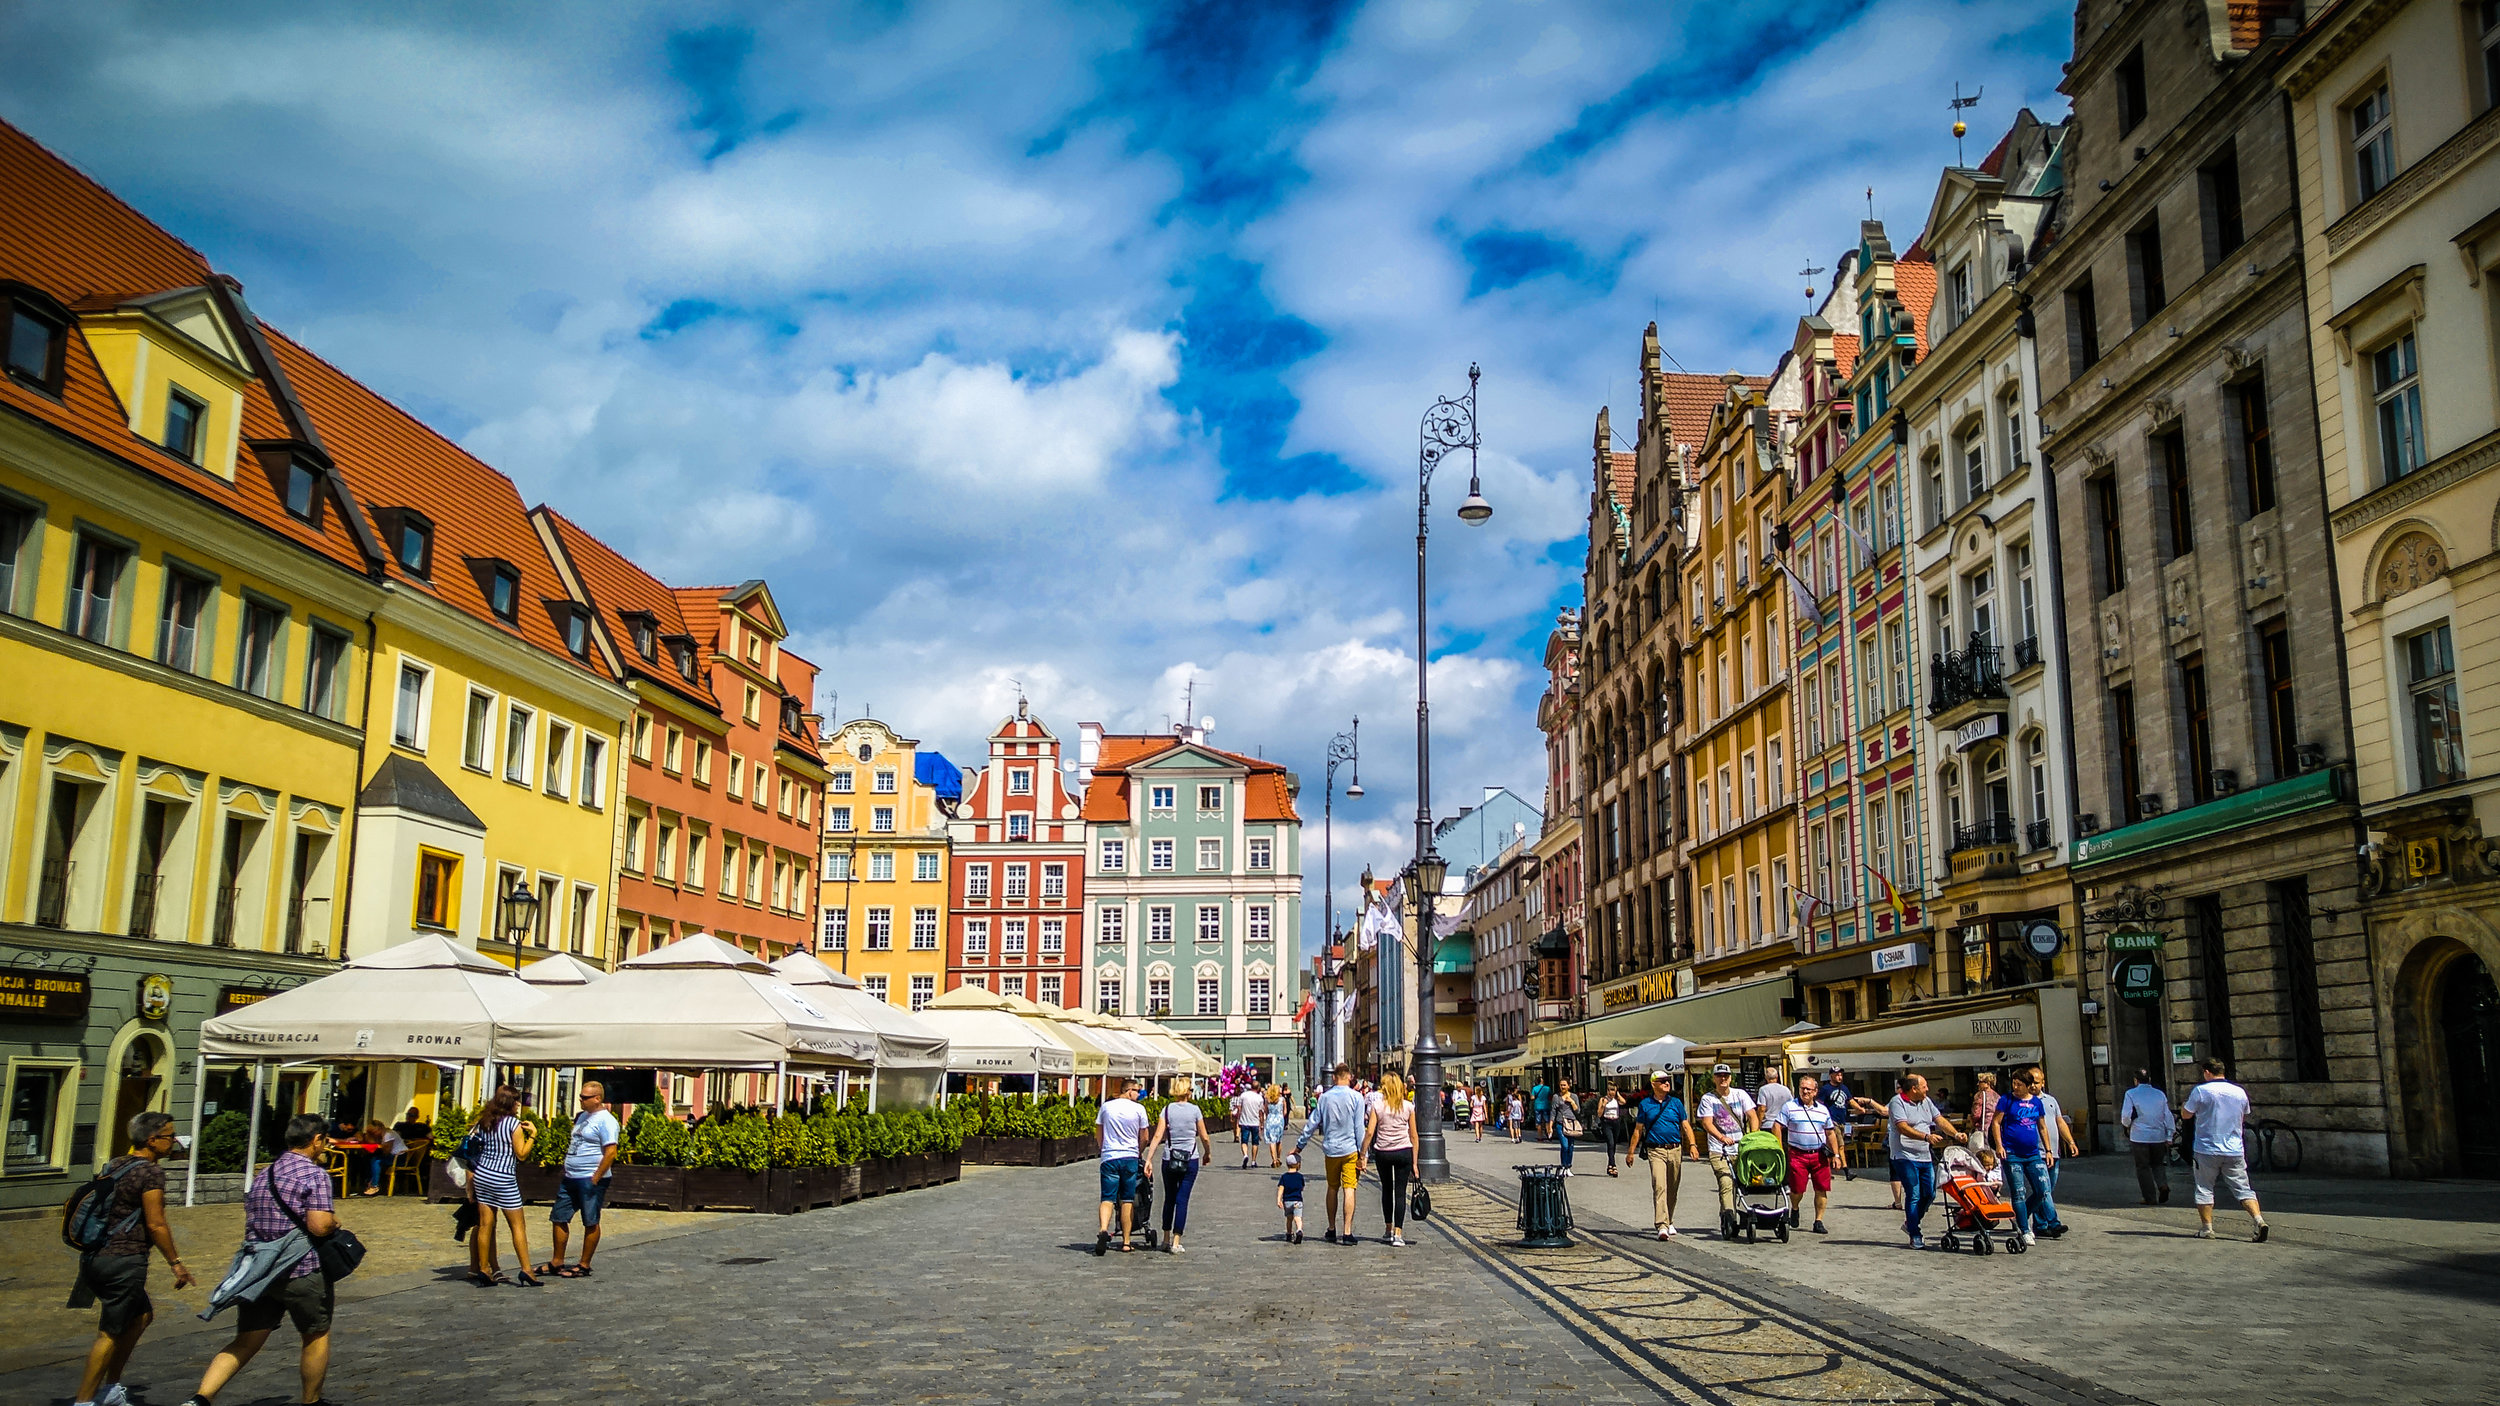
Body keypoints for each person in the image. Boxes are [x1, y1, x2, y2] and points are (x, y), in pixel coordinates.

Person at [177, 1115, 338, 1406]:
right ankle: (311, 1401)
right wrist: (334, 1223)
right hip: (300, 1268)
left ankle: (201, 1398)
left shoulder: (265, 1173)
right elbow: (319, 1225)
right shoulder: (315, 1175)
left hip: (261, 1272)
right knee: (315, 1334)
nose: (326, 1145)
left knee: (247, 1338)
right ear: (316, 1140)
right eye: (325, 1140)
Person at [70, 1112, 193, 1406]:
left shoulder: (115, 1164)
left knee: (141, 1316)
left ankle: (110, 1388)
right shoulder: (150, 1173)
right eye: (169, 1136)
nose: (174, 1141)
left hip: (96, 1256)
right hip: (124, 1260)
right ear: (152, 1140)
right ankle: (84, 1401)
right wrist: (175, 1262)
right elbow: (156, 1223)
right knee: (110, 1332)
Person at [2181, 1057, 2268, 1242]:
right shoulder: (2239, 1092)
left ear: (2207, 1072)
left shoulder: (2201, 1091)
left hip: (2206, 1148)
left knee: (2204, 1188)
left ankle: (2207, 1228)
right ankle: (2258, 1219)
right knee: (2243, 1188)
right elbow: (2243, 1116)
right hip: (2234, 1149)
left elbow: (2186, 1115)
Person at [466, 1084, 542, 1286]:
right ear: (510, 1103)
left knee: (485, 1225)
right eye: (517, 1101)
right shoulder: (512, 1124)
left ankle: (484, 1268)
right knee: (517, 1226)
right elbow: (522, 1154)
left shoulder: (484, 1121)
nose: (519, 1104)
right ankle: (526, 1270)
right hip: (503, 1177)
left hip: (483, 1174)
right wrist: (533, 1134)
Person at [542, 1081, 619, 1278]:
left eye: (585, 1097)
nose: (581, 1100)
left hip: (590, 1177)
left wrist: (596, 1177)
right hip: (571, 1176)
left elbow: (611, 1152)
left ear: (597, 1098)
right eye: (580, 1096)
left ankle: (584, 1264)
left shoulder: (606, 1121)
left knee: (590, 1221)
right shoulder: (583, 1117)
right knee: (559, 1217)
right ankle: (557, 1261)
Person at [1294, 1063, 1369, 1244]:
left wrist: (1299, 1146)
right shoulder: (1357, 1098)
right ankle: (1347, 1232)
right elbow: (1360, 1128)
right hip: (1350, 1149)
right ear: (1350, 1077)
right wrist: (1363, 1155)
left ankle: (1331, 1228)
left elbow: (1312, 1123)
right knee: (1349, 1188)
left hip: (1331, 1150)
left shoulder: (1325, 1098)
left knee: (1332, 1187)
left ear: (1334, 1077)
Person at [1885, 1073, 1963, 1249]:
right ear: (1914, 1089)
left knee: (1929, 1194)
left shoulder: (1926, 1101)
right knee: (1914, 1192)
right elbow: (1902, 1127)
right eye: (1924, 1086)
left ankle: (1910, 1222)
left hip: (1924, 1155)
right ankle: (1915, 1233)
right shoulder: (1897, 1102)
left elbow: (1940, 1120)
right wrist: (1926, 1137)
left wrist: (1956, 1134)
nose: (1928, 1089)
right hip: (1904, 1155)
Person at [1991, 1068, 2060, 1246]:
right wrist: (1999, 1145)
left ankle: (2023, 1214)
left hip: (2033, 1154)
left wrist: (2049, 1151)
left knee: (2042, 1190)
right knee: (2018, 1192)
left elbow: (2042, 1127)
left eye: (2019, 1084)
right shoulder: (2006, 1100)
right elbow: (1996, 1123)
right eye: (2014, 1083)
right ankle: (2024, 1228)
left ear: (2029, 1086)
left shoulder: (2037, 1103)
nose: (2015, 1087)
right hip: (2012, 1153)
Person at [1690, 1063, 1758, 1240]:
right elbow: (1707, 1123)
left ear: (1730, 1078)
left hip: (1742, 1148)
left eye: (1726, 1076)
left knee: (1744, 1183)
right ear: (1714, 1078)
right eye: (1719, 1076)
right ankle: (1729, 1216)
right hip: (1719, 1149)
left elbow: (1752, 1116)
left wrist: (1753, 1136)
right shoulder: (1708, 1099)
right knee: (1726, 1182)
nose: (1723, 1079)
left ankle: (1739, 1212)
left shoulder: (1740, 1094)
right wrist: (1722, 1137)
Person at [1773, 1072, 1841, 1234]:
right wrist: (1779, 1149)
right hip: (1798, 1154)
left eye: (1809, 1090)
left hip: (1819, 1155)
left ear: (1815, 1092)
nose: (1805, 1092)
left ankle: (1818, 1221)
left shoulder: (1823, 1110)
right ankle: (1795, 1208)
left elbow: (1830, 1133)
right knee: (1797, 1189)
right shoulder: (1790, 1107)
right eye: (1803, 1089)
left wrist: (1836, 1155)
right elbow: (1777, 1126)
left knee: (1822, 1188)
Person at [1144, 1077, 1206, 1253]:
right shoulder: (1195, 1110)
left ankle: (1165, 1239)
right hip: (1190, 1159)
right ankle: (1176, 1241)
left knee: (1169, 1198)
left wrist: (1148, 1159)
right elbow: (1204, 1136)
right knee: (1182, 1200)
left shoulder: (1167, 1109)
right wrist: (1207, 1153)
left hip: (1169, 1159)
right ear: (1188, 1092)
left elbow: (1157, 1136)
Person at [1628, 1071, 1690, 1240]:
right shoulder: (1646, 1104)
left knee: (1673, 1187)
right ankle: (1661, 1225)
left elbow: (1685, 1125)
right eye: (1662, 1081)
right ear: (1654, 1084)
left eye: (1668, 1081)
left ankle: (1669, 1219)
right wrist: (1631, 1152)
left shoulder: (1676, 1103)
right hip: (1656, 1151)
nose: (1667, 1083)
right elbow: (1638, 1130)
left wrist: (1692, 1145)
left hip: (1675, 1149)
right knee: (1660, 1185)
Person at [1094, 1078, 1152, 1255]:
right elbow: (1145, 1137)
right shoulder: (1138, 1109)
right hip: (1129, 1157)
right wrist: (1139, 1151)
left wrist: (1104, 1148)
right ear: (1129, 1091)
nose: (1139, 1095)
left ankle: (1104, 1230)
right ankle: (1126, 1241)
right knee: (1127, 1199)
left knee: (1107, 1197)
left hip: (1110, 1157)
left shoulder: (1106, 1107)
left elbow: (1099, 1131)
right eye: (1137, 1091)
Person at [1364, 1070, 1418, 1246]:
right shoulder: (1408, 1107)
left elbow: (1370, 1132)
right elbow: (1414, 1136)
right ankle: (1398, 1234)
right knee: (1400, 1192)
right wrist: (1415, 1163)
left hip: (1383, 1152)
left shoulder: (1378, 1106)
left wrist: (1362, 1153)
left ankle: (1388, 1230)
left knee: (1387, 1190)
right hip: (1404, 1152)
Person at [2118, 1069, 2177, 1205]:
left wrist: (2126, 1125)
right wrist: (2169, 1135)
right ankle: (2163, 1185)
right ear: (2149, 1080)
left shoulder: (2131, 1094)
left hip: (2140, 1136)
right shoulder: (2159, 1094)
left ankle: (2149, 1197)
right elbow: (2167, 1115)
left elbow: (2126, 1116)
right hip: (2158, 1135)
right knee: (2158, 1164)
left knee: (2143, 1167)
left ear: (2135, 1080)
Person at [1818, 1070, 1857, 1181]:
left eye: (1841, 1075)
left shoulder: (1844, 1088)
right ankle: (1846, 1171)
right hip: (1831, 1121)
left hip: (1842, 1122)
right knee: (1840, 1145)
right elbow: (1819, 1104)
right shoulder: (1826, 1089)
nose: (1839, 1077)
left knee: (1830, 1147)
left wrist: (1860, 1108)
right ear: (1831, 1076)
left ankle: (1826, 1171)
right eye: (1837, 1075)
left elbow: (1851, 1101)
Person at [1550, 1078, 1583, 1174]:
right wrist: (1550, 1126)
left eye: (1564, 1085)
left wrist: (1572, 1102)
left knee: (1571, 1146)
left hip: (1571, 1124)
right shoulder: (1556, 1097)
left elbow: (1578, 1111)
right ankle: (1563, 1166)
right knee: (1564, 1146)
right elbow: (1553, 1111)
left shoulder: (1574, 1096)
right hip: (1560, 1123)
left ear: (1569, 1086)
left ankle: (1568, 1166)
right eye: (1561, 1085)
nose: (1562, 1087)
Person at [1234, 1081, 1266, 1169]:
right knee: (1255, 1143)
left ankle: (1245, 1155)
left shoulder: (1243, 1095)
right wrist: (1262, 1124)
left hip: (1244, 1121)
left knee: (1244, 1141)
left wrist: (1238, 1118)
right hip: (1255, 1123)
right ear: (1258, 1088)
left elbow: (1239, 1108)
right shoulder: (1259, 1098)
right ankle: (1253, 1161)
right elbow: (1261, 1113)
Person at [1597, 1082, 1627, 1177]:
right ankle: (1612, 1165)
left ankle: (1610, 1164)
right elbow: (1599, 1114)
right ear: (1607, 1091)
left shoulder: (1616, 1100)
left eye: (1613, 1090)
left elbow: (1624, 1102)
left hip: (1616, 1122)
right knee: (1610, 1142)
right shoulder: (1603, 1099)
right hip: (1607, 1122)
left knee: (1613, 1144)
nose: (1612, 1092)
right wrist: (1603, 1105)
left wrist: (1617, 1094)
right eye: (1610, 1090)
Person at [1277, 1153, 1307, 1244]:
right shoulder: (1300, 1176)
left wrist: (1279, 1199)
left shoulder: (1284, 1177)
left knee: (1289, 1218)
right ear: (1298, 1164)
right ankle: (1299, 1230)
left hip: (1287, 1201)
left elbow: (1281, 1188)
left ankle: (1289, 1234)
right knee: (1298, 1217)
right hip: (1297, 1201)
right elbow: (1302, 1188)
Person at [1263, 1083, 1288, 1167]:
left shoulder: (1267, 1100)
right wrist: (1281, 1116)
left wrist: (1268, 1116)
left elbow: (1265, 1110)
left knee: (1272, 1141)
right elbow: (1285, 1112)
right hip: (1279, 1120)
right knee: (1279, 1140)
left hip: (1270, 1119)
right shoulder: (1282, 1099)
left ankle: (1274, 1160)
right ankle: (1278, 1158)